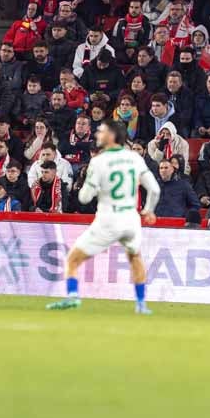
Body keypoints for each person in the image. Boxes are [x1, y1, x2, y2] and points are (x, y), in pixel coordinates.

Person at [47, 119, 161, 314]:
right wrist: (149, 210)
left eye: (102, 131)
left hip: (108, 219)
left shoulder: (98, 161)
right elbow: (155, 189)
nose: (98, 133)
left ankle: (72, 296)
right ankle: (141, 304)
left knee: (73, 258)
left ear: (112, 136)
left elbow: (84, 198)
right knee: (135, 257)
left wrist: (92, 187)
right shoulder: (135, 158)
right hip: (130, 218)